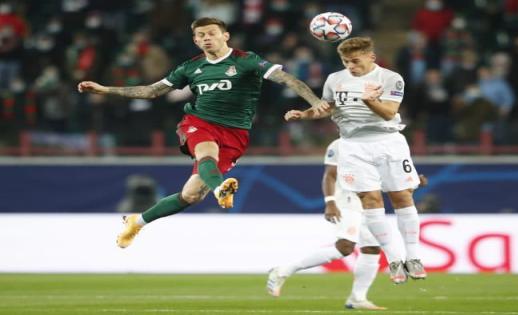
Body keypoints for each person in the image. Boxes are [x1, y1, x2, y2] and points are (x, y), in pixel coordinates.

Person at [77, 17, 329, 248]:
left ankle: (137, 222)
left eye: (211, 33)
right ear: (196, 41)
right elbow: (152, 91)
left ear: (225, 36)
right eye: (201, 35)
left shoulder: (247, 60)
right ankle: (221, 190)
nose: (206, 38)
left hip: (236, 132)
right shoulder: (190, 68)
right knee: (206, 151)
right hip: (199, 122)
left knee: (191, 194)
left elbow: (288, 80)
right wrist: (105, 89)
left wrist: (314, 101)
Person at [283, 37, 427, 284]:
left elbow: (389, 113)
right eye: (346, 61)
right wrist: (305, 114)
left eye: (355, 61)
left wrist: (370, 100)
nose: (351, 66)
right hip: (352, 145)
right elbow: (328, 107)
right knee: (369, 199)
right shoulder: (335, 79)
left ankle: (413, 256)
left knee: (402, 196)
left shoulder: (391, 78)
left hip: (388, 141)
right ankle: (394, 259)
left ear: (371, 57)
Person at [267, 138, 386, 310]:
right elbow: (330, 175)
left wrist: (413, 181)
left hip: (369, 201)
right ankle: (283, 270)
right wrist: (330, 202)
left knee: (372, 248)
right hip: (347, 199)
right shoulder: (340, 144)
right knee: (345, 246)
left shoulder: (379, 145)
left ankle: (357, 298)